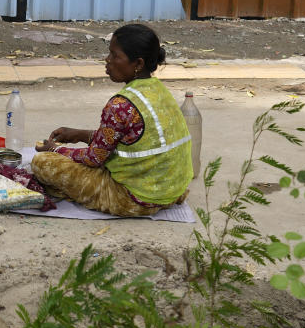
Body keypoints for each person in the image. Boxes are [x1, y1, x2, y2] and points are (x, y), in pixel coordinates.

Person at [32, 23, 192, 217]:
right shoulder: (159, 91)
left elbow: (94, 158)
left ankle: (69, 191)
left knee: (42, 162)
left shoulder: (119, 105)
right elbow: (129, 138)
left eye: (115, 56)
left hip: (134, 199)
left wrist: (54, 149)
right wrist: (80, 134)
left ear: (138, 64)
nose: (107, 60)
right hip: (172, 191)